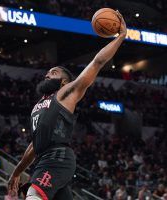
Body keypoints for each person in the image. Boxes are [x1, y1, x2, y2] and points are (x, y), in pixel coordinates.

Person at [8, 11, 127, 200]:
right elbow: (33, 146)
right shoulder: (37, 106)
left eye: (53, 72)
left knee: (33, 194)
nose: (48, 75)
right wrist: (16, 172)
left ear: (65, 82)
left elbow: (97, 63)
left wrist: (121, 36)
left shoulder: (66, 93)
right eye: (47, 72)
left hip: (57, 158)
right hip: (43, 159)